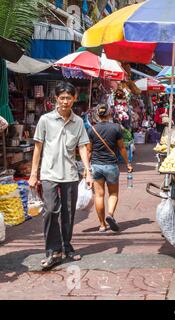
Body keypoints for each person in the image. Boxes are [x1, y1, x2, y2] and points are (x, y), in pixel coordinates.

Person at [29, 81, 93, 271]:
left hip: (71, 174)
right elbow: (38, 147)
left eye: (69, 98)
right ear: (56, 98)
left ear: (74, 99)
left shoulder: (79, 122)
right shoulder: (45, 120)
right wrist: (34, 174)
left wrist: (88, 172)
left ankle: (67, 246)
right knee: (50, 210)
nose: (65, 101)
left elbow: (82, 147)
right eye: (62, 97)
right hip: (49, 173)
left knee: (68, 213)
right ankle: (52, 250)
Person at [87, 104, 133, 233]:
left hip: (96, 166)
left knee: (99, 195)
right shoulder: (116, 128)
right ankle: (110, 214)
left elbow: (89, 150)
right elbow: (122, 148)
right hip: (111, 165)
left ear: (97, 114)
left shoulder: (92, 129)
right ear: (109, 114)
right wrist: (128, 163)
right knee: (113, 193)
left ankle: (102, 225)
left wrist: (86, 169)